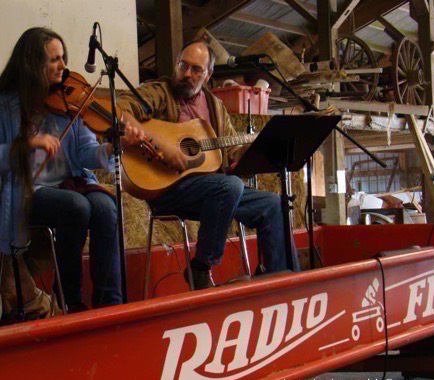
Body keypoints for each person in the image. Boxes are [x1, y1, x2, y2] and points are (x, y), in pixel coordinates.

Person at [0, 27, 144, 312]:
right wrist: (27, 144)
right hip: (29, 193)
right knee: (76, 207)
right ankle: (69, 303)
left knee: (106, 207)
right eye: (54, 59)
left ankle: (109, 305)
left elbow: (86, 152)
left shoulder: (69, 101)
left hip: (73, 184)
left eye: (63, 57)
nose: (63, 66)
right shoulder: (3, 105)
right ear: (32, 64)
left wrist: (114, 148)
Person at [118, 40, 299, 290]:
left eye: (196, 70)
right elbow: (121, 110)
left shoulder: (216, 107)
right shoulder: (159, 92)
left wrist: (254, 148)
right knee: (229, 187)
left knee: (274, 205)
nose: (187, 74)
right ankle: (201, 266)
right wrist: (161, 145)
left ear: (209, 74)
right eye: (183, 66)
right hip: (169, 189)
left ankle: (283, 284)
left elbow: (233, 153)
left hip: (215, 191)